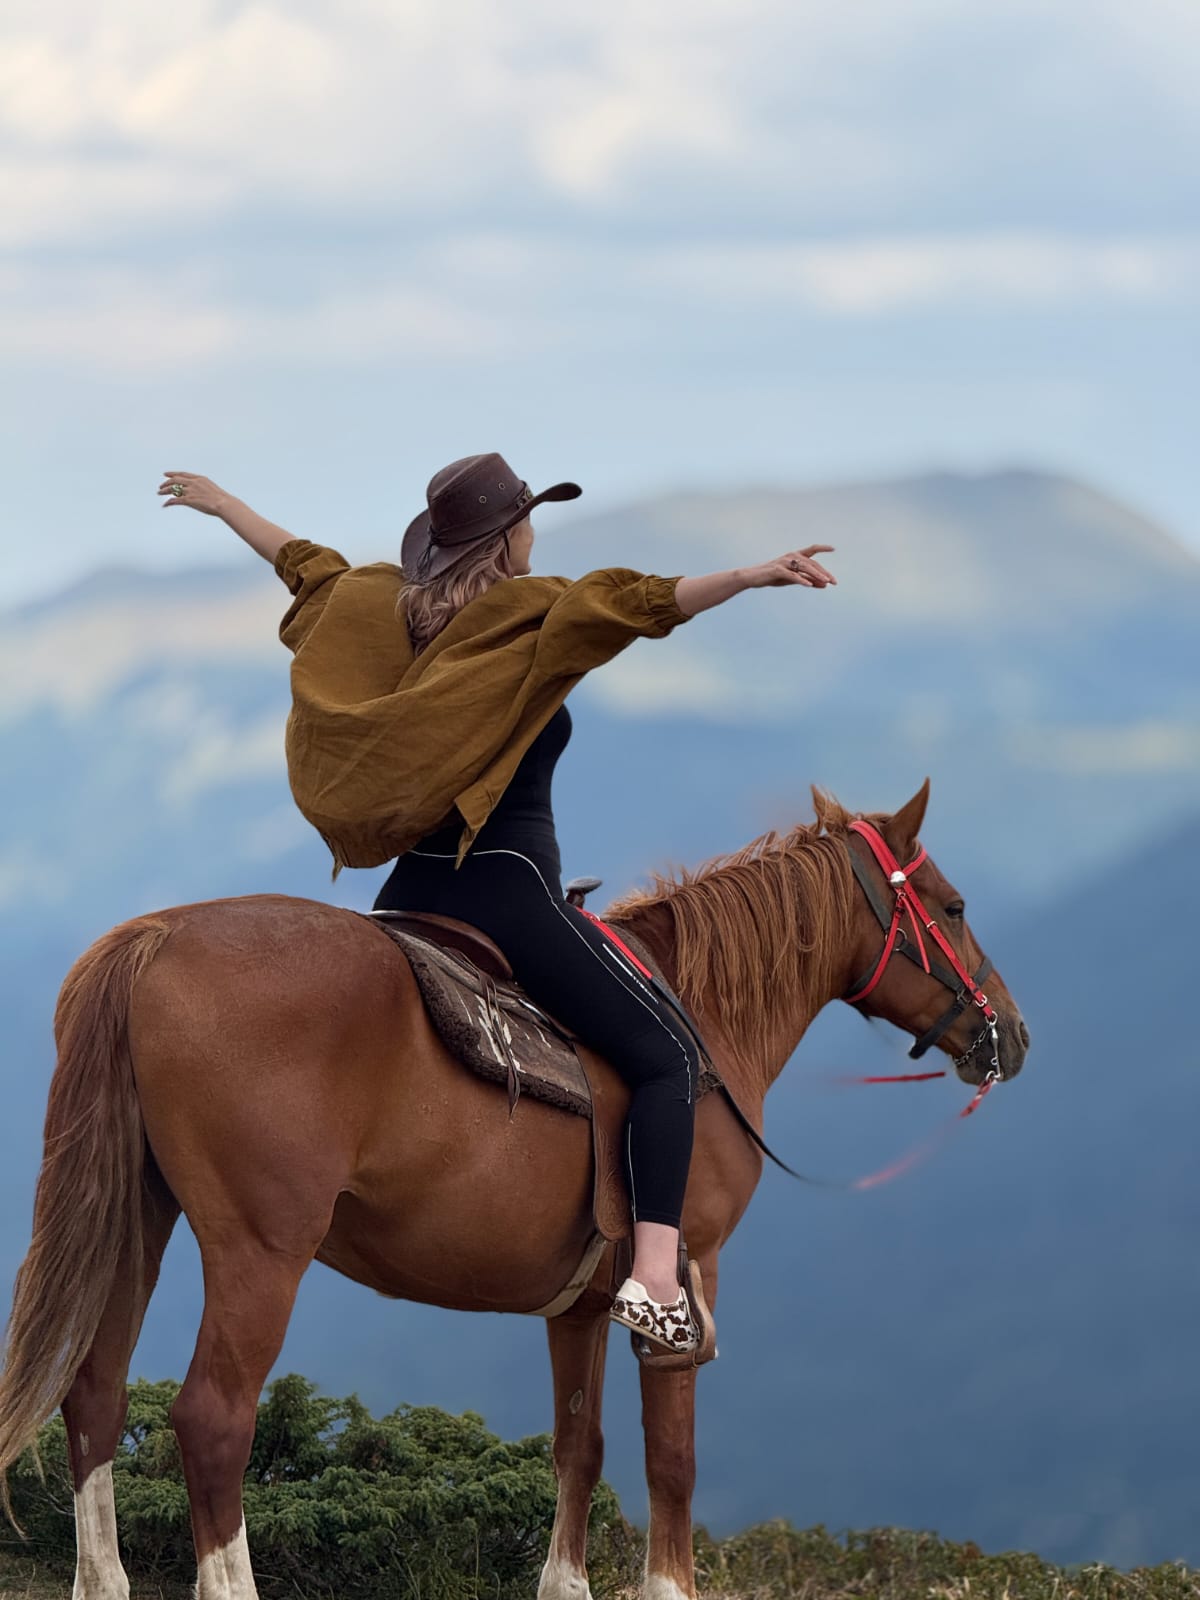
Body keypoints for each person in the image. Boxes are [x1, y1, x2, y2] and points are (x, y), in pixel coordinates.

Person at [157, 454, 836, 1350]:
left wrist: (224, 504)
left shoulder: (376, 610)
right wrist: (748, 576)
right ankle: (656, 1281)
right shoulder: (530, 616)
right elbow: (641, 602)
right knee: (671, 1056)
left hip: (408, 894)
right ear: (509, 537)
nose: (534, 532)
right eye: (528, 519)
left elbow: (304, 565)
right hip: (507, 891)